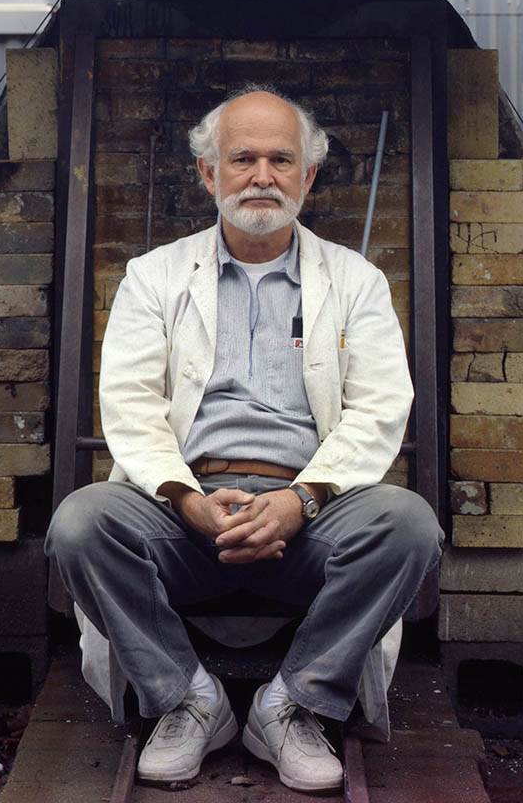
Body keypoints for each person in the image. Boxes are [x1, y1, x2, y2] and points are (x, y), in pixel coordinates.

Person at [46, 85, 442, 793]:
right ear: (208, 174)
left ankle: (291, 705)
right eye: (244, 159)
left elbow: (380, 408)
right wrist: (185, 499)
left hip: (311, 516)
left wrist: (303, 499)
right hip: (185, 511)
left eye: (281, 160)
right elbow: (129, 405)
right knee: (80, 524)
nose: (263, 176)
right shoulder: (154, 277)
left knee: (409, 525)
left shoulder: (355, 282)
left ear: (308, 176)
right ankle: (186, 702)